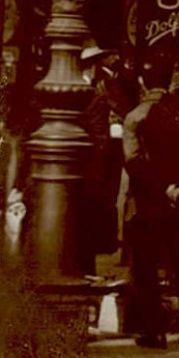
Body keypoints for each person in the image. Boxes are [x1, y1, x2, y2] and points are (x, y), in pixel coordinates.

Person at [123, 86, 179, 348]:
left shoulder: (134, 117)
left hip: (149, 203)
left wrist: (163, 188)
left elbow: (134, 161)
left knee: (146, 269)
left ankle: (153, 331)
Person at [78, 45, 138, 272]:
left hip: (98, 157)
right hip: (95, 157)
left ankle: (88, 262)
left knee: (95, 208)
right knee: (93, 207)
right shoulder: (96, 89)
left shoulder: (100, 87)